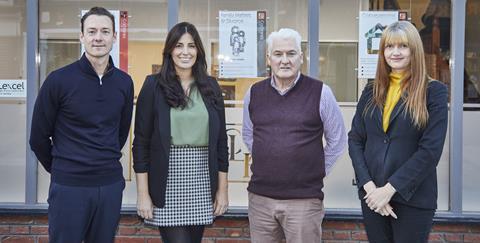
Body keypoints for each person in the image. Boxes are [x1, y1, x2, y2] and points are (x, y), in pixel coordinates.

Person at [29, 6, 134, 243]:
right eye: (92, 31)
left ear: (114, 37)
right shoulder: (58, 80)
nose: (99, 37)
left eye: (105, 31)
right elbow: (38, 137)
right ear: (82, 36)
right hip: (69, 187)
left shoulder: (124, 83)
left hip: (109, 186)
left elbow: (120, 133)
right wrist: (62, 168)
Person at [242, 28, 347, 243]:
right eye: (278, 54)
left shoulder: (320, 92)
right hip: (261, 200)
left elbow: (338, 140)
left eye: (291, 53)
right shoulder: (254, 93)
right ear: (268, 58)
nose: (285, 60)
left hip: (304, 201)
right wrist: (270, 160)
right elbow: (249, 135)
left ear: (301, 57)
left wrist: (314, 171)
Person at [348, 21, 448, 243]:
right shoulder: (370, 90)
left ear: (414, 50)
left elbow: (430, 151)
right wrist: (370, 187)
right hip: (373, 197)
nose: (395, 53)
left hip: (412, 198)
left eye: (402, 46)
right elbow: (355, 139)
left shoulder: (434, 92)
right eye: (389, 47)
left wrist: (390, 189)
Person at [133, 22, 229, 243]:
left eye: (191, 46)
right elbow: (141, 144)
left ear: (199, 51)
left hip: (202, 177)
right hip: (167, 178)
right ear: (169, 51)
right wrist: (143, 194)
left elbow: (221, 143)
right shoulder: (153, 85)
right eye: (179, 46)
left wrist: (222, 190)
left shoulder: (211, 87)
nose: (185, 52)